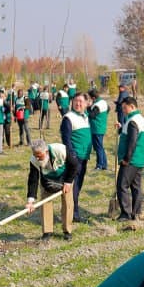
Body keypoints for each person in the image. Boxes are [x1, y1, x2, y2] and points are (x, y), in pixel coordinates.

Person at [26, 138, 75, 240]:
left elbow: (74, 164)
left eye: (40, 156)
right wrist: (30, 201)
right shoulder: (34, 160)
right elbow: (33, 180)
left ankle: (67, 231)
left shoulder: (61, 150)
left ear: (46, 151)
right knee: (45, 203)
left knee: (67, 203)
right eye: (35, 156)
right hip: (47, 181)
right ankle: (47, 232)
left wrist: (68, 182)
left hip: (65, 178)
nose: (38, 158)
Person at [60, 91, 92, 223]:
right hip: (75, 158)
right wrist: (72, 156)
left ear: (86, 103)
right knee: (72, 186)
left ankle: (74, 211)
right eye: (75, 101)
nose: (78, 104)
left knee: (77, 186)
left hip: (84, 157)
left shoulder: (85, 116)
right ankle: (73, 214)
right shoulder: (68, 118)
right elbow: (66, 140)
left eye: (81, 101)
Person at [114, 96, 144, 221]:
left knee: (122, 185)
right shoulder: (140, 119)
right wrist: (120, 129)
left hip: (131, 160)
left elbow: (132, 141)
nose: (123, 110)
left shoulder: (133, 121)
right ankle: (136, 212)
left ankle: (126, 213)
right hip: (139, 159)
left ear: (132, 106)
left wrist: (126, 159)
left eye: (124, 108)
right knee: (136, 187)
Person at [87, 88, 110, 170]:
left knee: (98, 147)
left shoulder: (97, 105)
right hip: (100, 127)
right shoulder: (103, 102)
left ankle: (99, 165)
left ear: (93, 98)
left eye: (89, 97)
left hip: (97, 128)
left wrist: (88, 107)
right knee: (100, 146)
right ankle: (104, 164)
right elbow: (109, 108)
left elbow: (91, 115)